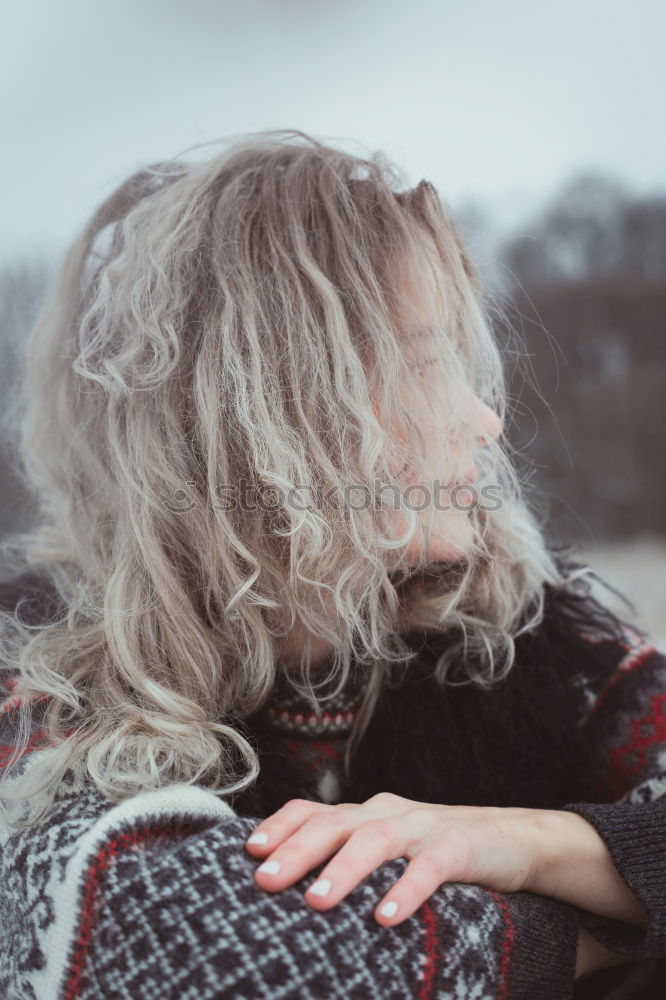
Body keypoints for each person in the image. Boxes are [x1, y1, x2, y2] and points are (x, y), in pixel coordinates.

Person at [0, 128, 664, 1000]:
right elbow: (177, 949)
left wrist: (531, 842)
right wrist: (618, 925)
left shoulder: (516, 626)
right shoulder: (39, 672)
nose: (484, 421)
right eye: (425, 366)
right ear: (270, 415)